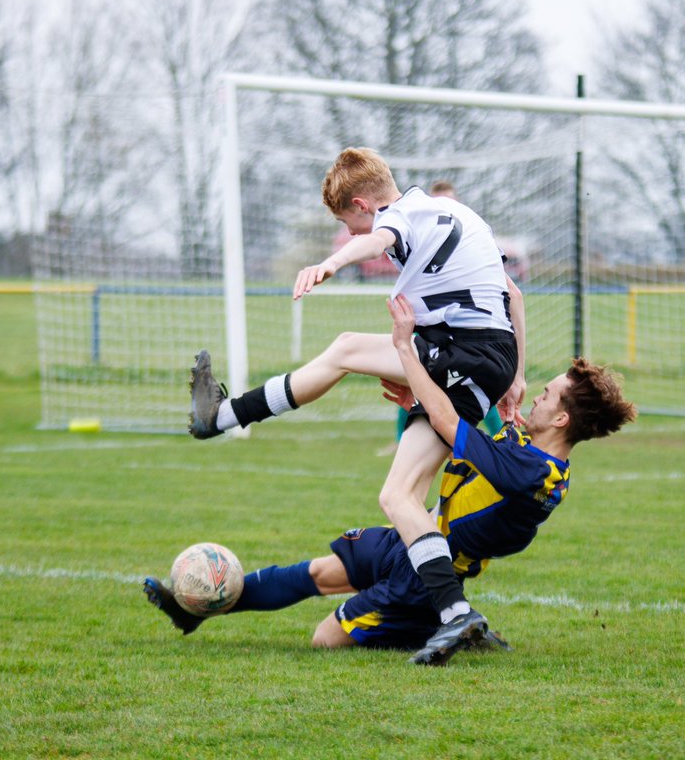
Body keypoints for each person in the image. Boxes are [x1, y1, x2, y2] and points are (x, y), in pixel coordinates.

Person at [145, 293, 637, 664]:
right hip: (415, 539)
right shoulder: (534, 457)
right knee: (313, 574)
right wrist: (417, 406)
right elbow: (451, 438)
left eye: (547, 396)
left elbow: (450, 424)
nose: (537, 398)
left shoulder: (531, 472)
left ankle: (440, 624)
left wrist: (405, 349)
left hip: (425, 574)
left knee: (324, 639)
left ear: (562, 421)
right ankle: (195, 613)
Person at [188, 147, 527, 659]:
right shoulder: (454, 212)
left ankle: (221, 417)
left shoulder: (399, 218)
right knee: (399, 497)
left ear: (364, 203)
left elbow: (379, 239)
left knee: (345, 347)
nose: (350, 234)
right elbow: (514, 296)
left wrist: (331, 262)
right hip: (484, 356)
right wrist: (515, 376)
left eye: (348, 222)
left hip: (467, 351)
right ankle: (457, 615)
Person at [378, 179, 502, 456]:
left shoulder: (469, 243)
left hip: (466, 329)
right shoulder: (421, 236)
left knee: (474, 383)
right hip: (430, 324)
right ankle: (404, 440)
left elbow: (510, 292)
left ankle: (494, 438)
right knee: (413, 379)